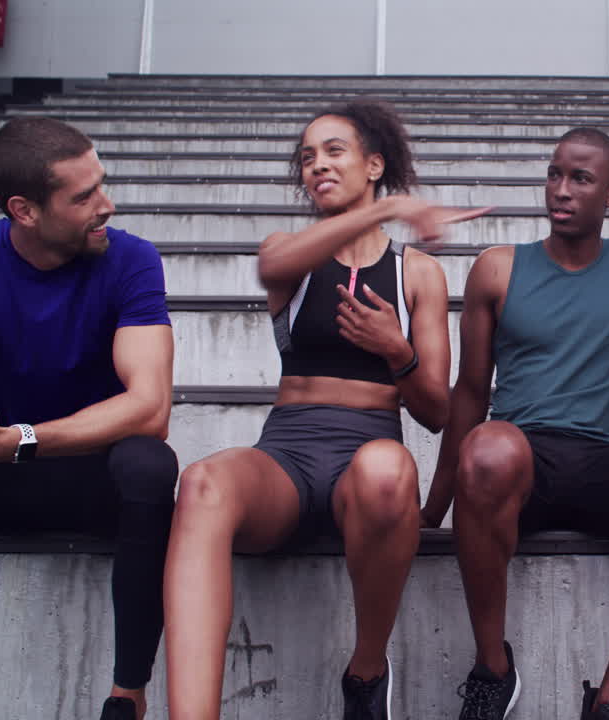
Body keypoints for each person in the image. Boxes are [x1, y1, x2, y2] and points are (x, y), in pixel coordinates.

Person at [162, 99, 483, 720]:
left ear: (373, 163)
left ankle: (365, 674)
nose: (317, 165)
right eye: (307, 157)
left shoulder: (417, 272)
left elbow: (437, 412)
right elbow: (271, 266)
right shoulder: (292, 252)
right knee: (201, 484)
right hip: (286, 454)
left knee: (389, 472)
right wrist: (391, 205)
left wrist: (398, 353)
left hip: (366, 457)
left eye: (334, 151)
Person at [421, 127, 609, 720]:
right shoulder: (496, 269)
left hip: (600, 464)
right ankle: (493, 672)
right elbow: (468, 393)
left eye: (580, 179)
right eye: (554, 174)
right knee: (488, 450)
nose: (560, 190)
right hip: (519, 464)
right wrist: (434, 508)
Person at [0, 116, 178, 720]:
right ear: (24, 211)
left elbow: (150, 407)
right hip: (1, 477)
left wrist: (17, 440)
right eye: (84, 196)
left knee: (150, 462)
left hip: (95, 484)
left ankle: (127, 695)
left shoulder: (131, 260)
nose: (107, 205)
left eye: (101, 184)